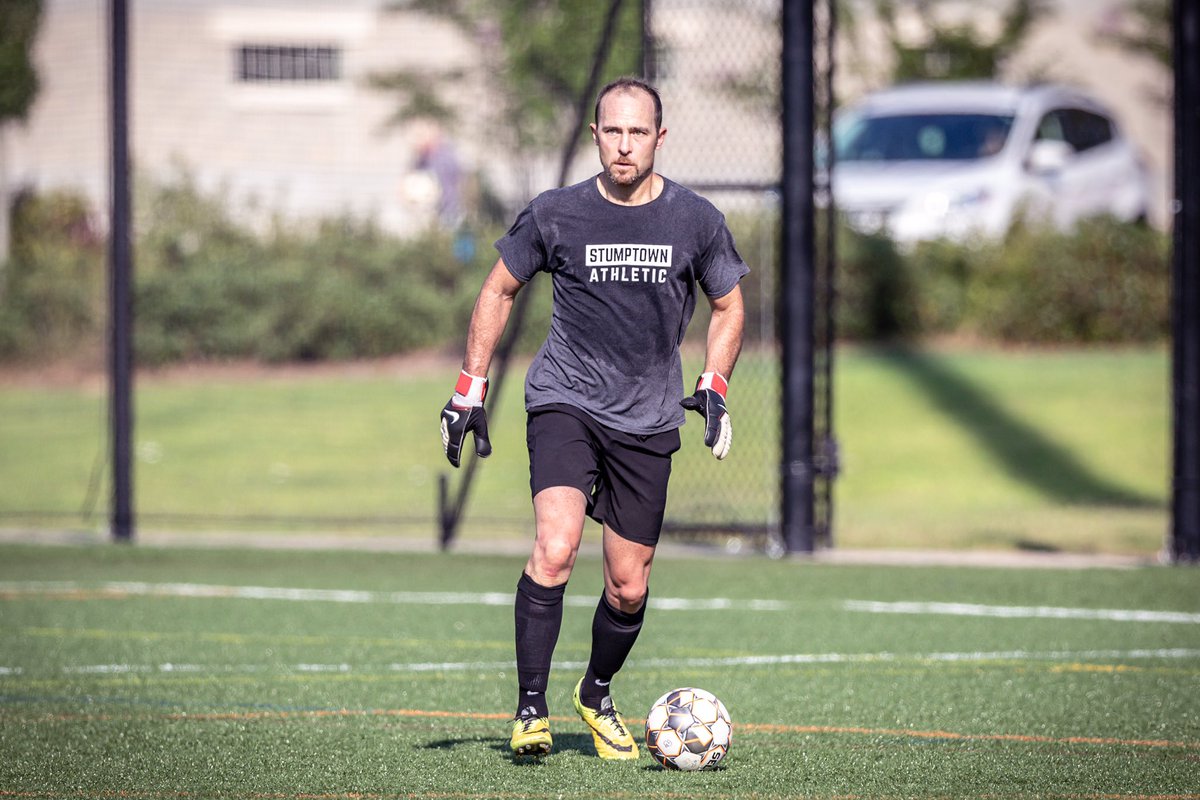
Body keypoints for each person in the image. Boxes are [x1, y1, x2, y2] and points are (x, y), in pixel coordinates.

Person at [438, 76, 748, 761]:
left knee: (628, 586)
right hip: (566, 399)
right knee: (555, 548)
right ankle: (531, 709)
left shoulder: (695, 220)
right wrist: (469, 387)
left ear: (659, 137)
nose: (624, 145)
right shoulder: (556, 213)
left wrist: (714, 382)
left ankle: (596, 690)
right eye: (613, 131)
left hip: (648, 415)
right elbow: (498, 289)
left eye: (638, 132)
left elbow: (728, 304)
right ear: (595, 135)